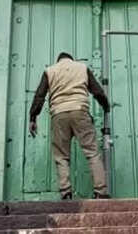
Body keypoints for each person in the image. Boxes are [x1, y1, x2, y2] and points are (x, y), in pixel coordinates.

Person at [29, 52, 111, 200]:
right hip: (80, 111)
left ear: (58, 61)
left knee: (61, 156)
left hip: (59, 114)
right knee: (92, 152)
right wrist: (106, 106)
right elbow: (98, 91)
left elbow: (39, 96)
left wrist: (33, 117)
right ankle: (100, 192)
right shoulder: (82, 68)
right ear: (71, 60)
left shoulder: (50, 71)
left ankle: (66, 192)